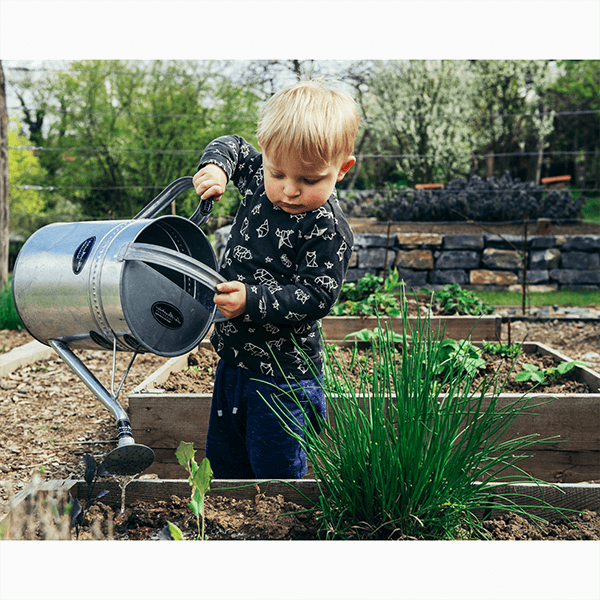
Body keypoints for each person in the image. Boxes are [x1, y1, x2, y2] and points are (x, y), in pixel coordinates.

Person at [192, 77, 360, 479]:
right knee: (226, 460)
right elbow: (231, 144)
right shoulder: (256, 179)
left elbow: (316, 295)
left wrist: (252, 300)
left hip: (284, 377)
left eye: (310, 180)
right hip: (232, 362)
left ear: (343, 169)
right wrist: (215, 167)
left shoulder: (327, 229)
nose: (289, 190)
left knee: (275, 471)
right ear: (266, 156)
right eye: (278, 173)